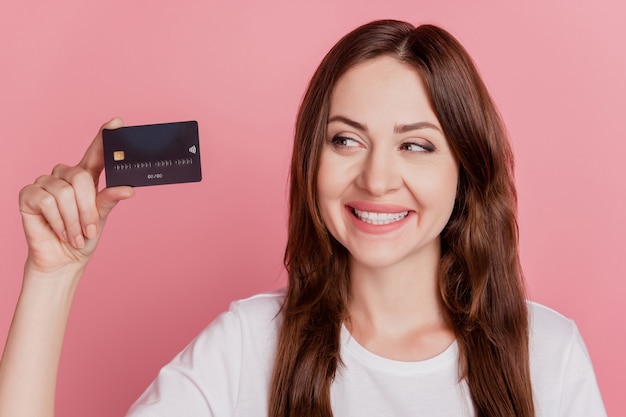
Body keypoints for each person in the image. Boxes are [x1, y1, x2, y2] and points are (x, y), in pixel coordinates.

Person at [0, 19, 606, 417]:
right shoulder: (245, 345)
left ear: (466, 170)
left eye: (416, 145)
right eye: (346, 141)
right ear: (311, 160)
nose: (375, 179)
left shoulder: (547, 356)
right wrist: (52, 277)